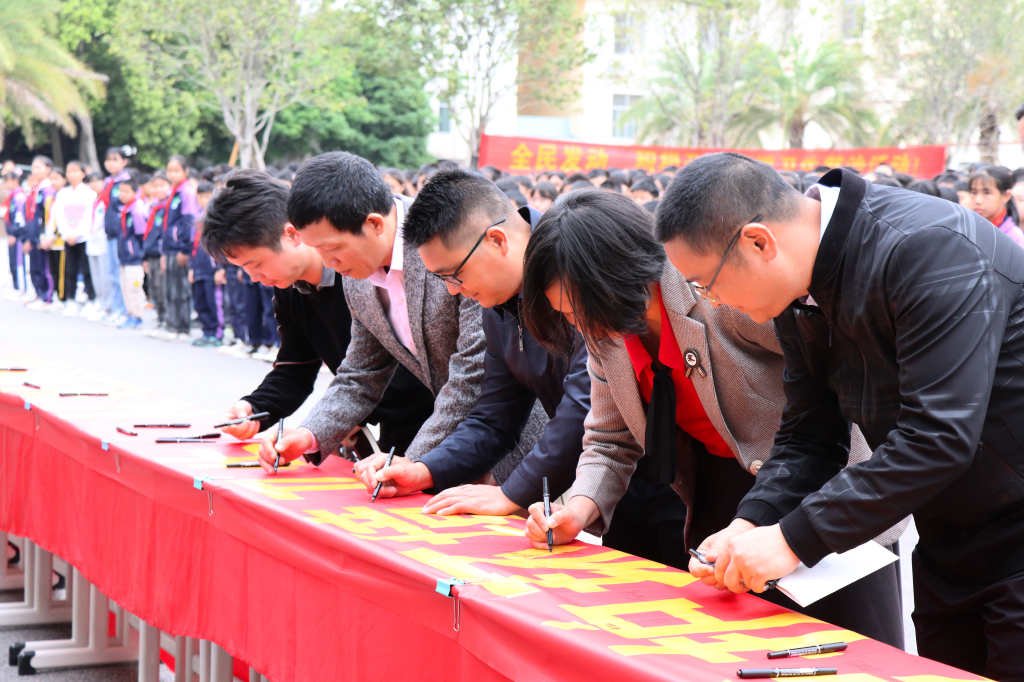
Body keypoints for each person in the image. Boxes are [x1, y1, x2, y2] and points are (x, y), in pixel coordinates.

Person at [656, 151, 1024, 680]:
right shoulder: (802, 290)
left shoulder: (927, 248)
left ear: (758, 242)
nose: (711, 302)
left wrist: (792, 539)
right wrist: (750, 522)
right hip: (951, 537)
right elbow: (809, 434)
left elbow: (937, 436)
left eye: (704, 282)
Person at [519, 188, 905, 647]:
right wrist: (578, 507)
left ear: (615, 275)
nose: (581, 327)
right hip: (720, 500)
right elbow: (609, 438)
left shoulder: (720, 294)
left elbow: (832, 379)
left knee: (845, 648)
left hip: (815, 485)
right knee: (736, 650)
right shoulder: (606, 333)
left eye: (581, 310)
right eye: (567, 315)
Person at [357, 169, 586, 516]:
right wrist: (424, 470)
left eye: (454, 274)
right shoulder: (498, 301)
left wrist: (511, 494)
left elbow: (584, 404)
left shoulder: (577, 266)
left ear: (497, 240)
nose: (453, 290)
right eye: (441, 279)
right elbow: (494, 416)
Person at [255, 152, 496, 474]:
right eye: (319, 251)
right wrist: (309, 435)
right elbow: (361, 373)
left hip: (508, 441)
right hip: (450, 443)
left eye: (333, 249)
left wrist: (415, 461)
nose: (328, 263)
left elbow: (472, 373)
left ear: (374, 224)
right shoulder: (358, 271)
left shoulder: (449, 239)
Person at [200, 169, 437, 461]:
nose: (254, 278)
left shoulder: (364, 270)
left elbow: (430, 376)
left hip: (428, 425)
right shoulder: (292, 289)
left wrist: (334, 425)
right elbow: (306, 369)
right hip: (376, 433)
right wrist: (255, 409)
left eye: (256, 264)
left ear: (291, 234)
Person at [49, 161, 97, 313]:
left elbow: (89, 216)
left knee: (87, 270)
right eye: (69, 171)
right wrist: (66, 233)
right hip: (67, 237)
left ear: (83, 173)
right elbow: (58, 216)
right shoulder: (63, 194)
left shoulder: (90, 194)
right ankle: (70, 299)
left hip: (84, 238)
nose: (72, 174)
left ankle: (92, 299)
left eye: (76, 171)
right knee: (69, 269)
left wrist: (79, 233)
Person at [163, 155, 199, 339]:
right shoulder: (173, 191)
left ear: (186, 171)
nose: (173, 174)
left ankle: (183, 327)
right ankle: (172, 324)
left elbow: (188, 220)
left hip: (180, 247)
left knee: (181, 288)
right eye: (170, 170)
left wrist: (185, 248)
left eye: (176, 170)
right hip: (170, 246)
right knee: (170, 287)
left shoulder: (186, 191)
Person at [97, 146, 132, 322]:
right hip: (110, 232)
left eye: (115, 160)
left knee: (121, 274)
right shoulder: (108, 182)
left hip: (122, 234)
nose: (111, 163)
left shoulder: (126, 182)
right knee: (112, 273)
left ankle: (125, 310)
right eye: (108, 160)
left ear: (124, 162)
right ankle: (116, 307)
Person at [189, 182, 224, 346]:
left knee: (213, 302)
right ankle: (206, 331)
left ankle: (217, 334)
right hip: (198, 268)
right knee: (200, 301)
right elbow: (193, 246)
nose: (204, 200)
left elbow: (220, 245)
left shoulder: (217, 219)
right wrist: (191, 267)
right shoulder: (197, 218)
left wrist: (220, 268)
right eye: (201, 197)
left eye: (207, 196)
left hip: (212, 268)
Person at [115, 173, 148, 329]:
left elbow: (141, 234)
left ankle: (137, 315)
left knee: (134, 287)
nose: (122, 194)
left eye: (126, 191)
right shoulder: (125, 209)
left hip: (134, 257)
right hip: (124, 256)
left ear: (135, 192)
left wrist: (140, 254)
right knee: (125, 287)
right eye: (120, 191)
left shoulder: (137, 210)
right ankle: (130, 314)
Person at [22, 156, 56, 308]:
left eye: (39, 167)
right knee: (35, 266)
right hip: (33, 233)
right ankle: (38, 293)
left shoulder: (48, 190)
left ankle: (47, 297)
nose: (35, 170)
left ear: (48, 169)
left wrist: (46, 235)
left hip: (43, 234)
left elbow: (48, 215)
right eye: (33, 167)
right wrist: (28, 237)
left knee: (45, 266)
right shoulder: (35, 189)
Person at [967, 165, 1024, 248]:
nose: (978, 200)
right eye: (974, 192)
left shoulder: (1014, 239)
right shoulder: (965, 229)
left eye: (986, 192)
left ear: (1006, 196)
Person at [3, 171, 26, 295]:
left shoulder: (19, 197)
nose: (5, 184)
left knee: (18, 262)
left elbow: (20, 219)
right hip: (12, 234)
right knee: (12, 262)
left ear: (15, 181)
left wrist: (14, 234)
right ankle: (16, 287)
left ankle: (21, 288)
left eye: (7, 181)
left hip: (18, 235)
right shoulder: (12, 196)